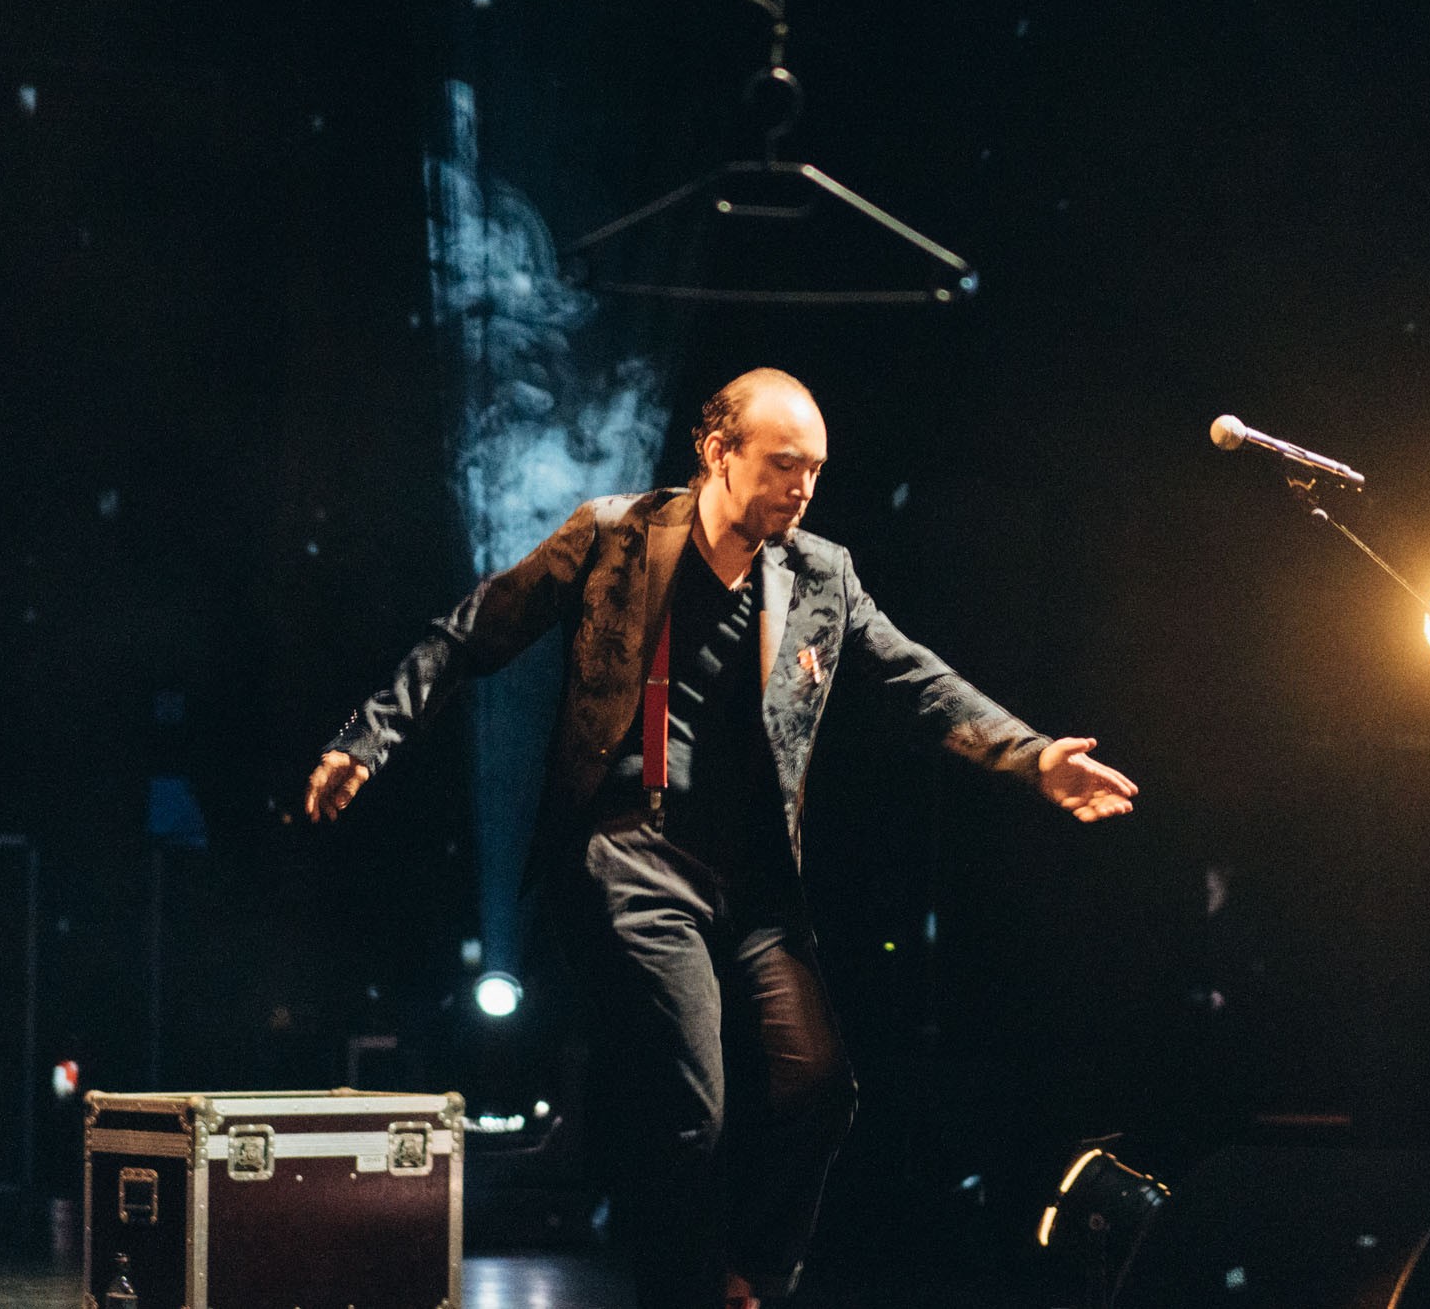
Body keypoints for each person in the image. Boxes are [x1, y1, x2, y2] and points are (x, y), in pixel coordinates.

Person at [304, 368, 1137, 1308]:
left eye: (814, 471)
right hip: (631, 853)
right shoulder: (615, 537)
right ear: (717, 452)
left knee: (821, 1090)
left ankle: (750, 1274)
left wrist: (1033, 758)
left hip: (750, 879)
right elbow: (470, 633)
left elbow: (918, 680)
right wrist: (367, 739)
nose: (801, 488)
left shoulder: (823, 574)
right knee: (688, 1116)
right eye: (783, 466)